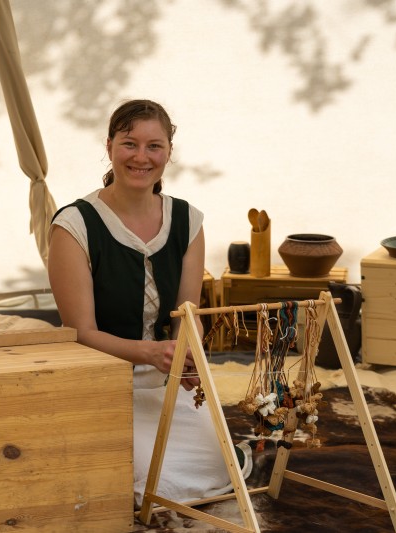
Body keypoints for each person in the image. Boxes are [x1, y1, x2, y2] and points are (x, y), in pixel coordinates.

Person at [47, 99, 250, 506]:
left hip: (165, 383)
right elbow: (81, 333)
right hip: (104, 385)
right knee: (140, 476)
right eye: (129, 144)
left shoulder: (188, 221)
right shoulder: (73, 225)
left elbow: (187, 318)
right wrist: (148, 352)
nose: (141, 157)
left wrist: (185, 354)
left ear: (169, 153)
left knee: (216, 464)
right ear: (109, 147)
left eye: (154, 146)